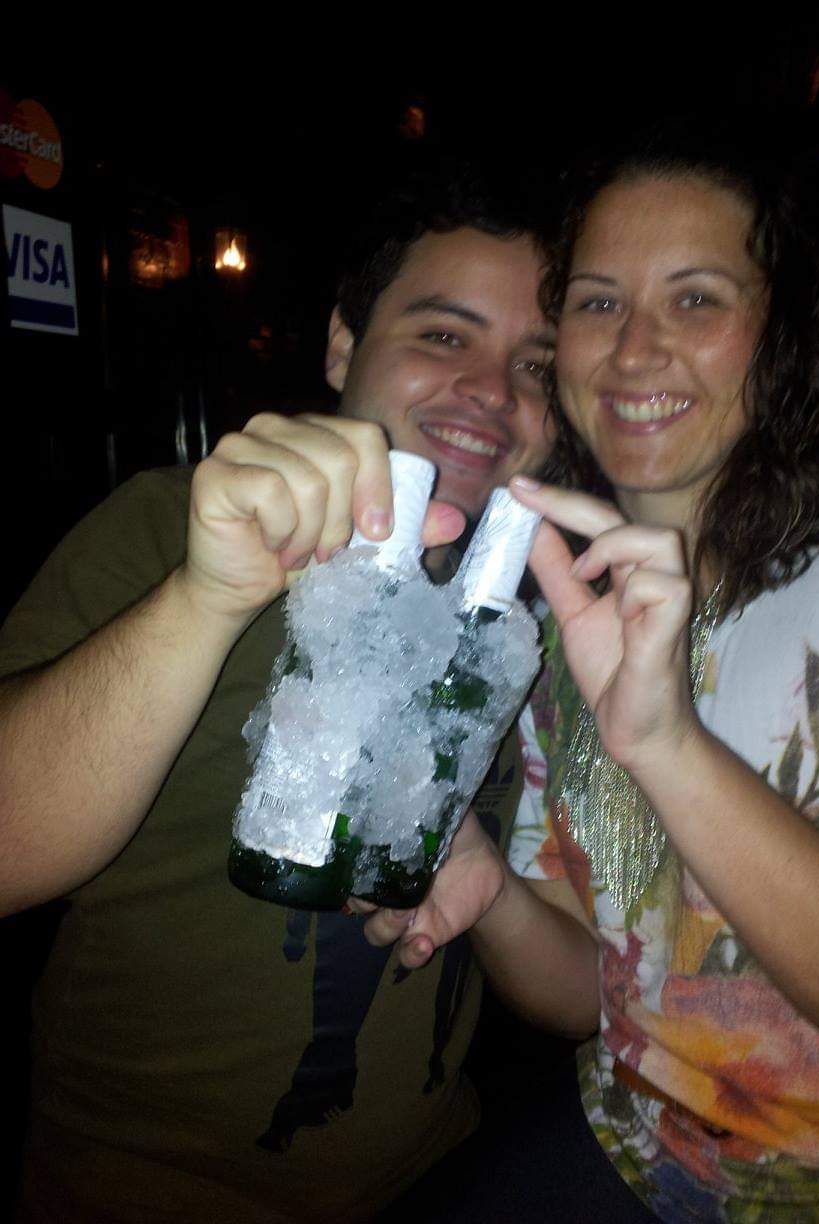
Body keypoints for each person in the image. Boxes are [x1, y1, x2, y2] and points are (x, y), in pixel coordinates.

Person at [364, 128, 819, 1221]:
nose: (634, 350)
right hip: (623, 1147)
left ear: (782, 335)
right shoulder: (561, 614)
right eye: (599, 303)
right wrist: (486, 887)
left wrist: (666, 745)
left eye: (696, 299)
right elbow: (589, 990)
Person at [0, 164, 560, 1223]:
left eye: (536, 364)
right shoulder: (175, 527)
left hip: (442, 1174)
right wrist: (206, 599)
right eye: (445, 333)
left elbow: (576, 987)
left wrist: (489, 884)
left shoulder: (529, 630)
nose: (493, 390)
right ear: (344, 344)